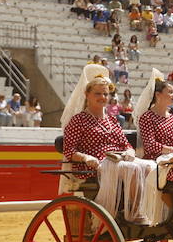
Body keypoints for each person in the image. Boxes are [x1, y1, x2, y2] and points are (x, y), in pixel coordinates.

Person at [60, 65, 164, 224]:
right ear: (86, 94)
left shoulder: (112, 120)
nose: (102, 97)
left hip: (118, 160)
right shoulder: (78, 120)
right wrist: (86, 157)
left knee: (151, 167)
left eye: (105, 94)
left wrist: (129, 151)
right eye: (97, 93)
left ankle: (150, 210)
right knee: (134, 169)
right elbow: (69, 150)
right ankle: (135, 212)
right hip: (95, 166)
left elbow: (125, 144)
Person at [137, 71, 173, 185]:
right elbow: (150, 145)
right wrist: (172, 150)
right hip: (157, 161)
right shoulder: (147, 117)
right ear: (158, 95)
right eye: (170, 92)